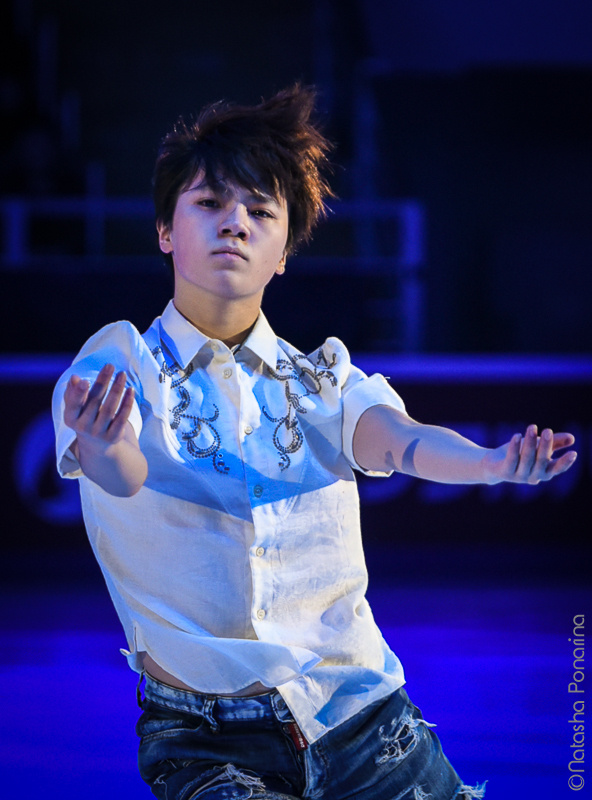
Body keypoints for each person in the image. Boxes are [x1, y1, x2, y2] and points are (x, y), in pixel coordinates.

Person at [52, 84, 576, 800]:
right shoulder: (118, 368)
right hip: (206, 740)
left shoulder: (322, 378)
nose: (234, 223)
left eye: (260, 212)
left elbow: (401, 442)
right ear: (165, 231)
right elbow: (122, 470)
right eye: (209, 204)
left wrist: (490, 464)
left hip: (364, 720)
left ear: (285, 253)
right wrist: (104, 444)